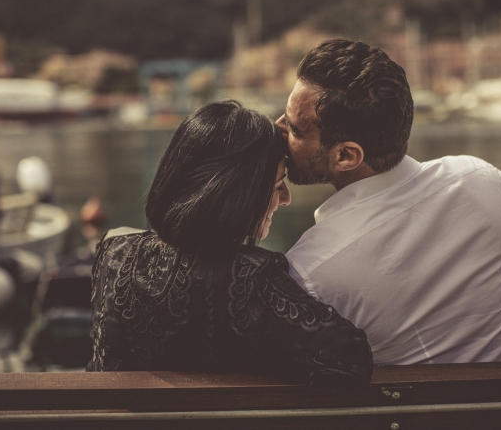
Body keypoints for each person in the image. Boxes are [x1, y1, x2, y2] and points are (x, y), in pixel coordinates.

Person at [276, 39, 501, 364]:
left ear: (346, 155)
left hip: (416, 416)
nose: (278, 128)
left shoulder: (310, 271)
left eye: (295, 128)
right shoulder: (486, 181)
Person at [86, 100, 372, 387]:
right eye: (276, 186)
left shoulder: (113, 250)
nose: (286, 199)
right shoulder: (250, 279)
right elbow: (352, 359)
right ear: (236, 194)